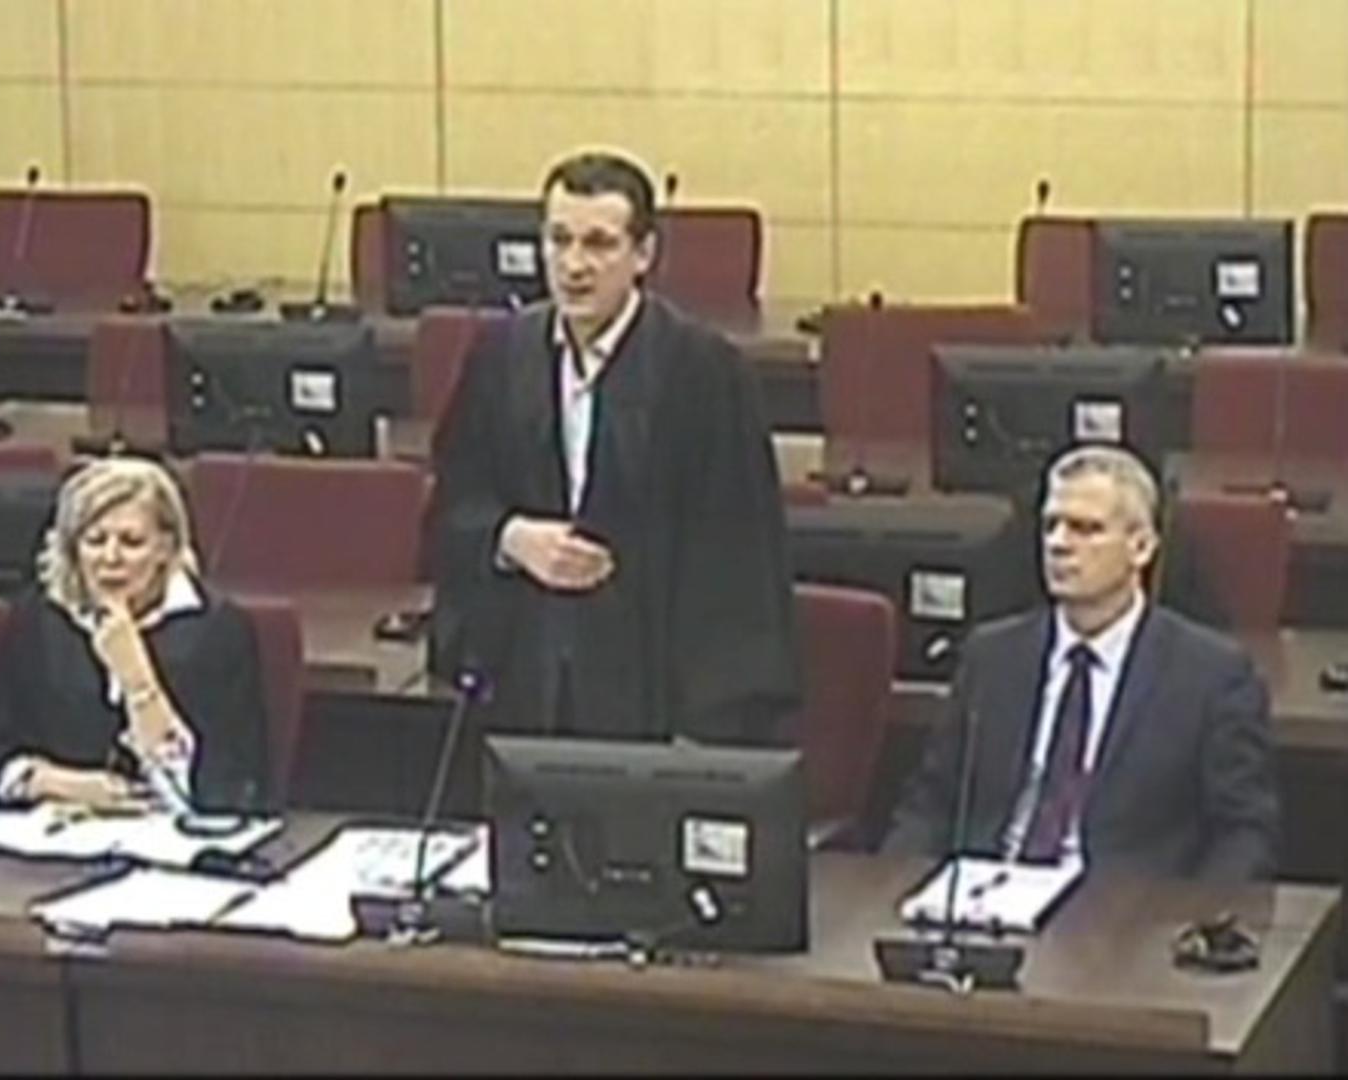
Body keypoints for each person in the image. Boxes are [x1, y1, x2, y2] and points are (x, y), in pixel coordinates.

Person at [430, 149, 800, 745]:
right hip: (528, 684)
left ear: (643, 254)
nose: (574, 265)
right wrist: (510, 539)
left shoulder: (703, 372)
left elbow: (737, 561)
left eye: (599, 244)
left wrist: (708, 728)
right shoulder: (502, 356)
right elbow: (453, 502)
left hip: (654, 694)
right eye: (559, 240)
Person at [884, 445, 1278, 880]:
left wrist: (1192, 915)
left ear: (1141, 547)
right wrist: (896, 887)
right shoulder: (992, 657)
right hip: (990, 894)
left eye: (1085, 529)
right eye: (1051, 525)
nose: (1058, 544)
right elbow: (931, 802)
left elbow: (1244, 833)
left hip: (1123, 907)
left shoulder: (1211, 676)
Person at [0, 456, 271, 814]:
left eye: (131, 542)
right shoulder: (41, 618)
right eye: (95, 541)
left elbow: (223, 788)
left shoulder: (217, 631)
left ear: (166, 548)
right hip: (55, 826)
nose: (110, 558)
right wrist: (60, 783)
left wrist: (136, 678)